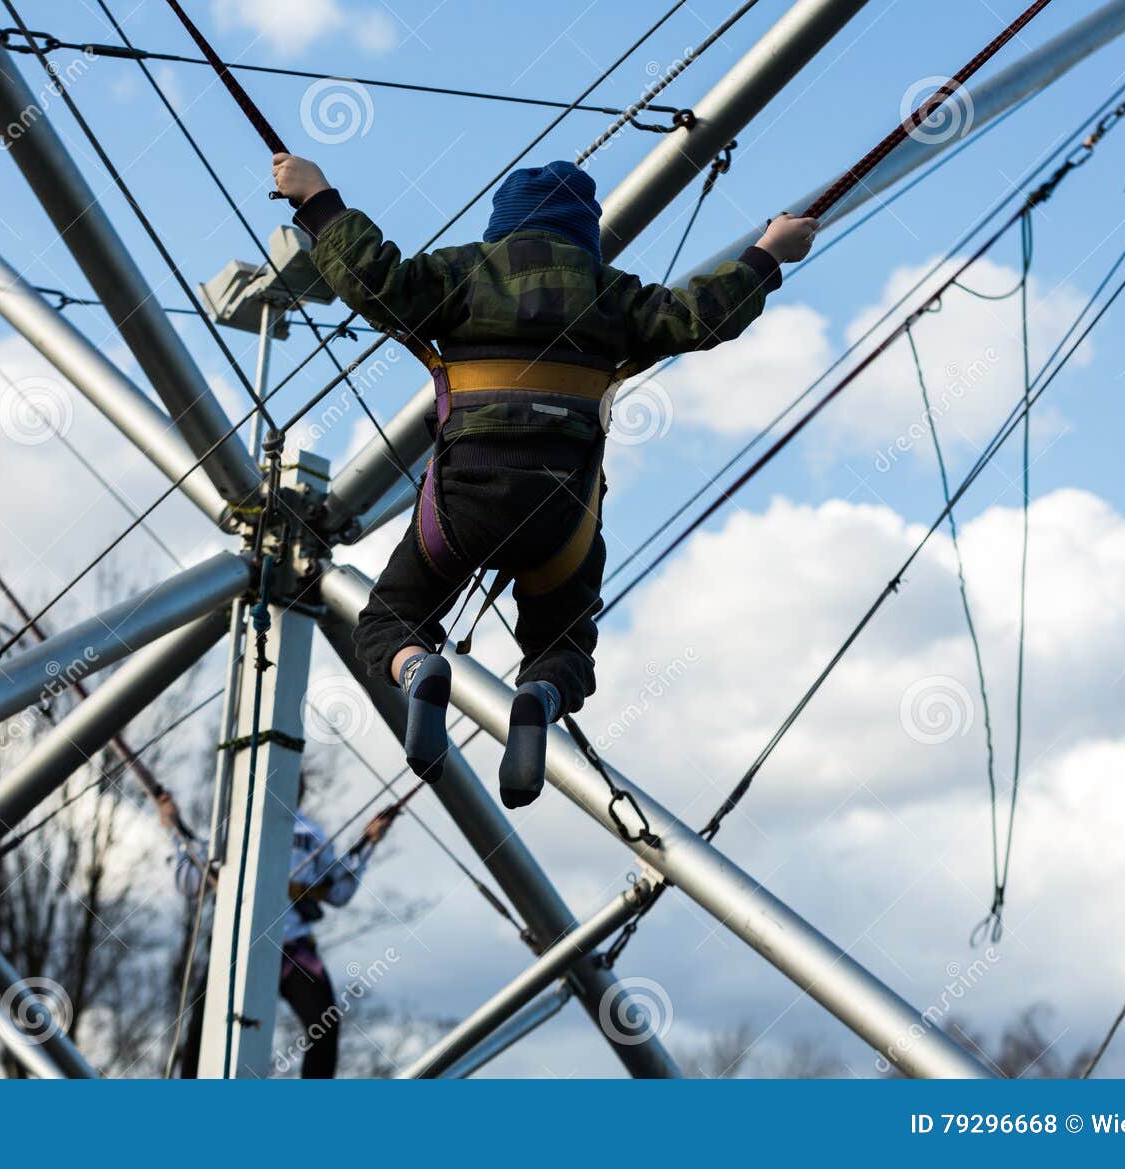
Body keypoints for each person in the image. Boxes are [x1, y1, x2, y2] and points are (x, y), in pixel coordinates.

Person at [274, 152, 816, 808]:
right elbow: (700, 316)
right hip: (563, 515)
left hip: (461, 506)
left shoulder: (459, 275)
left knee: (390, 621)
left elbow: (371, 276)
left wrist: (318, 198)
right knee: (564, 641)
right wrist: (768, 252)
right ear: (584, 234)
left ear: (503, 227)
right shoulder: (612, 294)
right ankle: (538, 696)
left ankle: (418, 670)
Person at [177, 808, 391, 1079]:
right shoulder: (233, 826)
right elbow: (191, 881)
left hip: (291, 949)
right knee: (201, 1029)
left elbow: (337, 891)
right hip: (238, 946)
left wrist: (368, 842)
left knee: (324, 1024)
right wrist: (177, 833)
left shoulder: (311, 833)